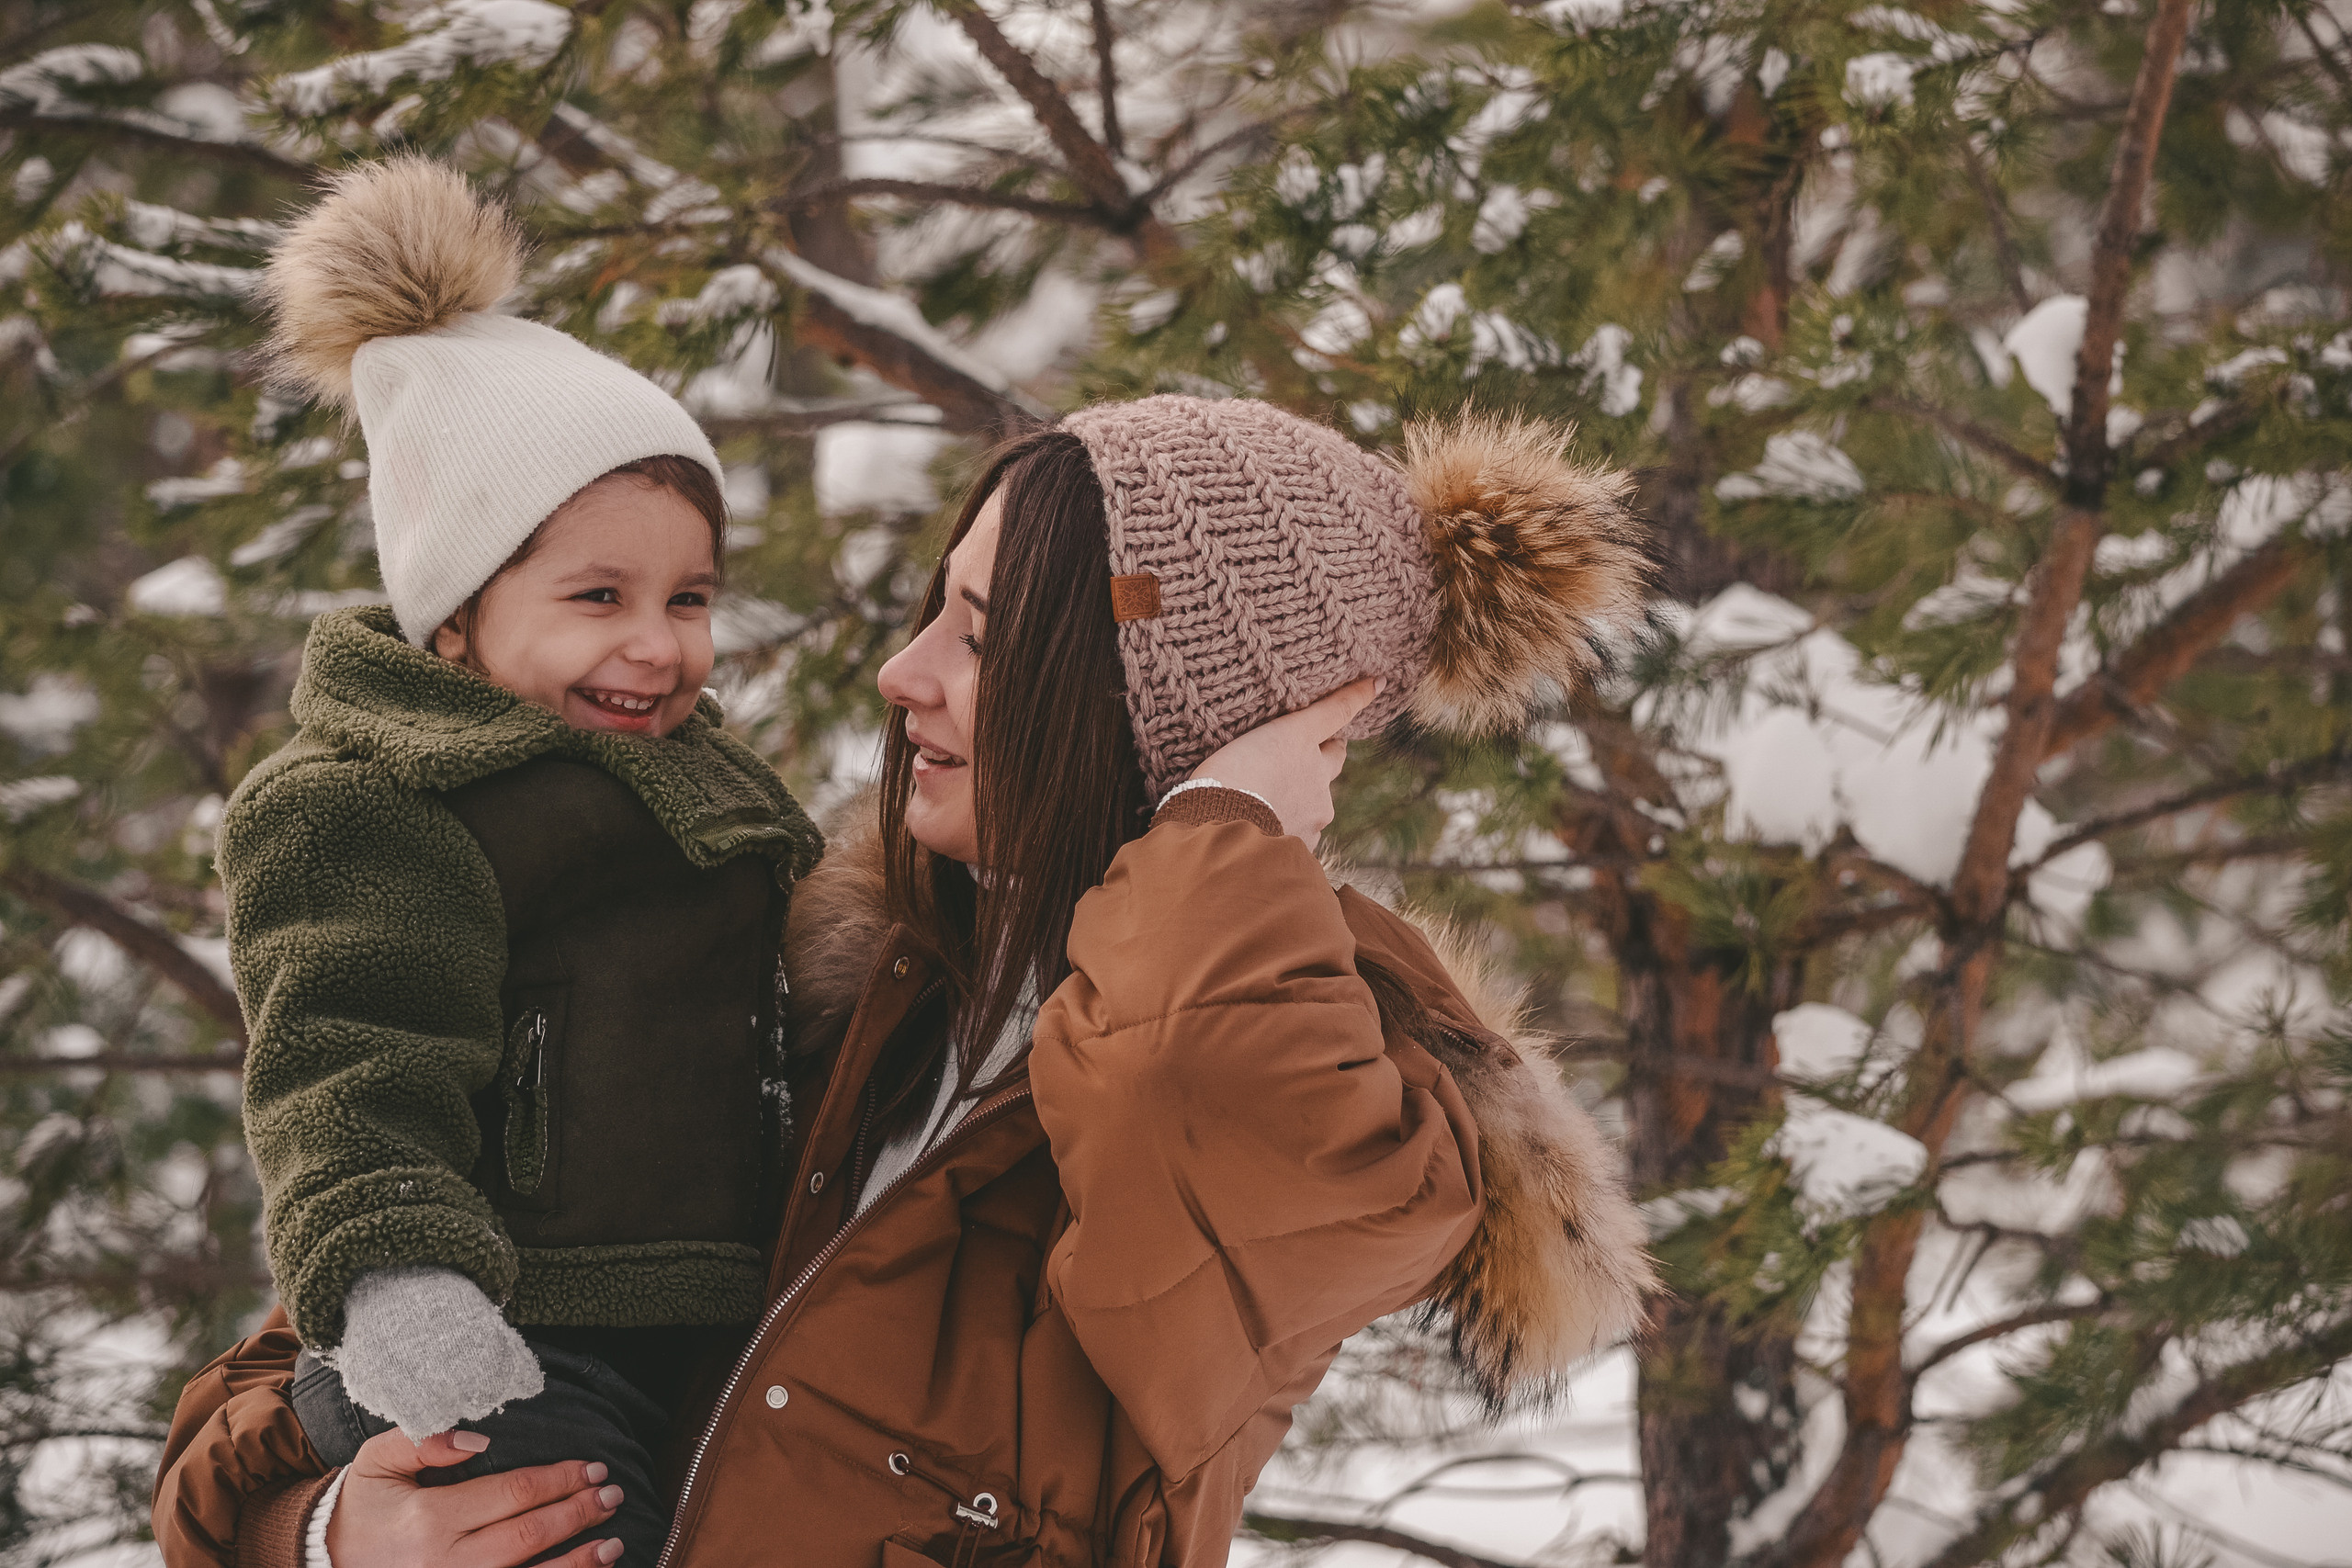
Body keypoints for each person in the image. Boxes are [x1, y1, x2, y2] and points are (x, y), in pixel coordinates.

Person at [153, 391, 1660, 1568]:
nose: (902, 671)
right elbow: (339, 1311)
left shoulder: (1358, 1110)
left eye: (984, 637)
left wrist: (1227, 822)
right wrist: (331, 1533)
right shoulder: (845, 976)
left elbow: (1171, 1092)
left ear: (1156, 713)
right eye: (937, 606)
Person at [198, 157, 822, 1566]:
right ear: (455, 621)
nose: (657, 642)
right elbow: (345, 1062)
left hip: (699, 1324)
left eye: (690, 598)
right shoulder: (380, 804)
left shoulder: (710, 793)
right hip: (495, 1343)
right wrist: (402, 1278)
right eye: (596, 597)